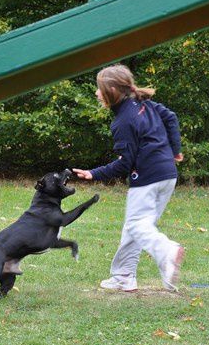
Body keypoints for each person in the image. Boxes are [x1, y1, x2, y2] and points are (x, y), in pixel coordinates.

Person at [73, 64, 184, 292]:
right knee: (138, 226)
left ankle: (167, 251)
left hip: (148, 177)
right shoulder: (145, 104)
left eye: (99, 88)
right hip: (168, 175)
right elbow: (171, 118)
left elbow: (125, 163)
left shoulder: (122, 122)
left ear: (112, 90)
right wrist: (175, 150)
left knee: (136, 224)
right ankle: (124, 276)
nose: (96, 93)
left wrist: (94, 173)